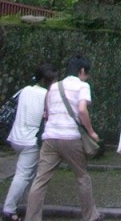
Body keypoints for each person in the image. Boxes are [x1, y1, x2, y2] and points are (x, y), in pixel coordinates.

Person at [24, 55, 101, 221]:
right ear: (81, 71)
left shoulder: (53, 87)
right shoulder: (82, 86)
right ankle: (90, 216)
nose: (86, 76)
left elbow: (47, 112)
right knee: (82, 177)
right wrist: (91, 131)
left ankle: (31, 218)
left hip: (50, 137)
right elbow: (82, 110)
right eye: (86, 73)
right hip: (70, 137)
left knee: (40, 179)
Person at [2, 64, 57, 221]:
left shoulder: (25, 90)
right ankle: (8, 210)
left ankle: (29, 205)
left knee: (28, 173)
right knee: (23, 175)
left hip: (16, 136)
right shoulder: (47, 95)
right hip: (31, 140)